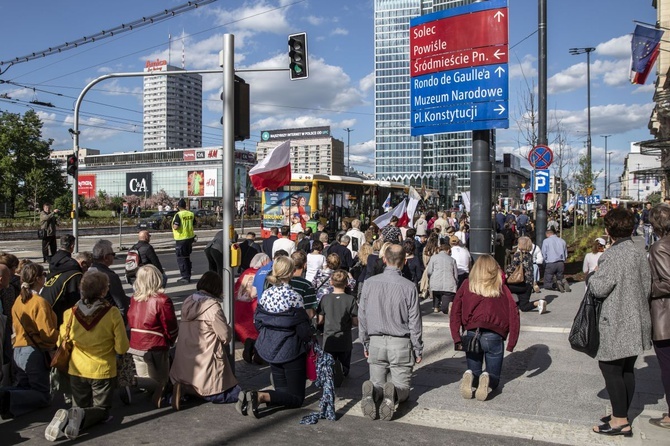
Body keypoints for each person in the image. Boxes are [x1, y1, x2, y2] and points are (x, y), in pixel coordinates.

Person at [587, 207, 652, 437]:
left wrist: (593, 274)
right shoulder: (638, 250)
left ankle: (620, 421)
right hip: (638, 318)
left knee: (610, 368)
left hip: (618, 320)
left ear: (608, 230)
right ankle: (620, 412)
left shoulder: (613, 255)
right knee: (626, 369)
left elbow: (598, 288)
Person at [44, 270, 129, 441]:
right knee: (102, 409)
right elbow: (122, 346)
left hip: (76, 368)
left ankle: (69, 417)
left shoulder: (70, 313)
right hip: (103, 369)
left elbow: (62, 339)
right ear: (103, 291)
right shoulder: (112, 313)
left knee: (80, 405)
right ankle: (77, 417)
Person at [236, 257, 312, 418]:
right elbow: (302, 327)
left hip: (270, 346)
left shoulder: (266, 295)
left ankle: (256, 396)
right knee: (297, 398)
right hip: (291, 348)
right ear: (291, 273)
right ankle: (259, 395)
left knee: (282, 391)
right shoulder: (295, 296)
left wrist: (269, 335)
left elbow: (258, 321)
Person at [358, 244, 423, 421]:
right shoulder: (409, 287)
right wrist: (417, 347)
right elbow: (414, 321)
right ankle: (394, 393)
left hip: (376, 341)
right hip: (400, 342)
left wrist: (364, 340)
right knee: (403, 387)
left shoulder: (369, 283)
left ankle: (374, 391)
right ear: (403, 262)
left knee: (377, 382)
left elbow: (362, 314)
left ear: (384, 259)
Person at [450, 255, 520, 402]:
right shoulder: (501, 286)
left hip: (471, 333)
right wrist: (512, 340)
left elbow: (455, 309)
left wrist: (456, 336)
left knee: (474, 368)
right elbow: (514, 311)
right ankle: (488, 378)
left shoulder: (467, 284)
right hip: (494, 334)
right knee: (494, 378)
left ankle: (470, 375)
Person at [170, 272, 241, 410]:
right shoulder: (213, 307)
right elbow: (225, 337)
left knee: (195, 385)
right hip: (206, 366)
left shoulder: (188, 301)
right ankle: (203, 392)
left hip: (184, 365)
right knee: (235, 393)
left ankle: (180, 392)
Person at [0, 263, 57, 420]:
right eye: (44, 275)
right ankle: (7, 397)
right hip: (33, 350)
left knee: (25, 386)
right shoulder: (39, 302)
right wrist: (61, 335)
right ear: (38, 279)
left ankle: (9, 399)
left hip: (18, 349)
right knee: (43, 394)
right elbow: (47, 333)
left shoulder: (19, 299)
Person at [127, 265, 179, 408]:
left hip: (135, 343)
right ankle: (132, 383)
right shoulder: (162, 300)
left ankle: (135, 383)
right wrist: (171, 339)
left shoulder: (134, 298)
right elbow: (170, 325)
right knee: (161, 382)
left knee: (145, 377)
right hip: (155, 345)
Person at [648, 203, 670, 430]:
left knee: (667, 367)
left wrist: (648, 286)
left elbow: (668, 281)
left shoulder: (659, 247)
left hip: (666, 315)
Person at [317, 269, 358, 387]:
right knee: (345, 363)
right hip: (345, 339)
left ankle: (331, 377)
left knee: (329, 362)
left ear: (331, 282)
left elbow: (320, 320)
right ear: (346, 283)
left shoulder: (325, 298)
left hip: (329, 338)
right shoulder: (350, 300)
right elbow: (355, 322)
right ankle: (343, 374)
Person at [234, 253, 270, 364]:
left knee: (246, 330)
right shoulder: (262, 273)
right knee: (257, 330)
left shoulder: (246, 272)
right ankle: (258, 353)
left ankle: (249, 343)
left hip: (241, 305)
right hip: (253, 305)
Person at [89, 240, 130, 321]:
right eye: (113, 254)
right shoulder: (110, 276)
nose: (114, 257)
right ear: (106, 258)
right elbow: (121, 304)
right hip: (109, 319)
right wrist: (123, 322)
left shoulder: (88, 271)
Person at [505, 236, 547, 314]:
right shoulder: (530, 255)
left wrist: (505, 274)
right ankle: (539, 303)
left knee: (503, 287)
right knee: (524, 306)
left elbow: (512, 267)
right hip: (529, 284)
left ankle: (508, 305)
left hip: (520, 283)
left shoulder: (518, 255)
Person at [426, 240, 458, 314]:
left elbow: (429, 271)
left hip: (436, 283)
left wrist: (430, 278)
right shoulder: (452, 260)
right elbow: (455, 274)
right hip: (449, 284)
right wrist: (456, 282)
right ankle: (444, 307)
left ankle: (436, 306)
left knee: (436, 292)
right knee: (446, 307)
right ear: (448, 250)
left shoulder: (433, 258)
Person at [171, 198, 196, 284]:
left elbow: (176, 227)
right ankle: (188, 275)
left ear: (178, 207)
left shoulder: (178, 215)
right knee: (187, 258)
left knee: (181, 259)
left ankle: (185, 277)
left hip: (181, 239)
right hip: (190, 238)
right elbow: (194, 224)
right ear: (185, 206)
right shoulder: (191, 214)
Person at [541, 227, 571, 293]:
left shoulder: (546, 241)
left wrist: (545, 261)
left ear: (548, 234)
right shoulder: (562, 240)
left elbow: (544, 253)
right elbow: (565, 253)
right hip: (561, 262)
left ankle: (555, 285)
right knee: (560, 276)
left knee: (547, 280)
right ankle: (563, 281)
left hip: (551, 263)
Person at [289, 251, 318, 318]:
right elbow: (310, 314)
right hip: (299, 323)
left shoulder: (282, 282)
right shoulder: (307, 285)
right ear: (305, 265)